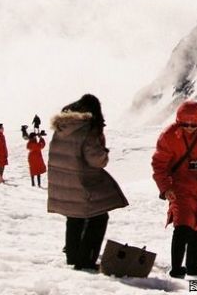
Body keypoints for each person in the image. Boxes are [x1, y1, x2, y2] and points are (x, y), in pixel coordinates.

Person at [48, 93, 128, 271]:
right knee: (98, 217)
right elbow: (96, 159)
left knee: (74, 218)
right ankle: (86, 260)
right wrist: (104, 150)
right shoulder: (87, 129)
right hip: (83, 181)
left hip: (65, 182)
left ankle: (73, 257)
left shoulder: (63, 127)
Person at [152, 101, 197, 278]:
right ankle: (176, 270)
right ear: (178, 121)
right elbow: (159, 165)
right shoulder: (169, 136)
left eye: (194, 124)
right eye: (185, 124)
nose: (190, 127)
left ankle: (193, 269)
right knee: (183, 226)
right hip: (180, 188)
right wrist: (165, 188)